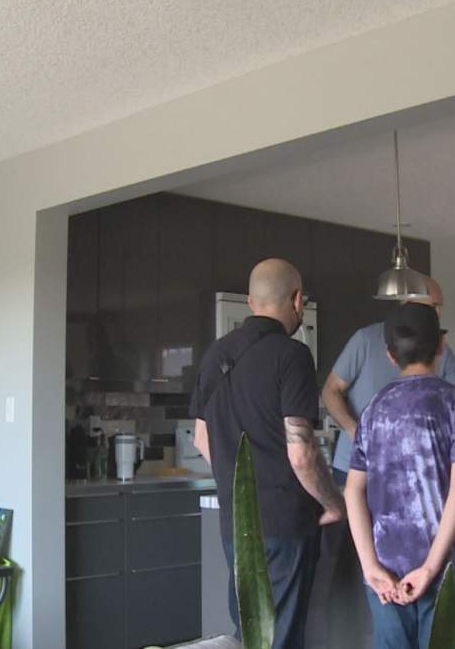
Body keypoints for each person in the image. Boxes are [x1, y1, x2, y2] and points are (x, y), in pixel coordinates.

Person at [191, 258, 344, 649]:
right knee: (281, 638)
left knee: (250, 634)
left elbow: (201, 440)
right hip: (285, 522)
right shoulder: (292, 355)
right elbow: (302, 452)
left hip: (236, 525)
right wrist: (331, 503)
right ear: (297, 300)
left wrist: (240, 485)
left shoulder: (215, 355)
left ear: (250, 301)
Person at [344, 303, 455, 649]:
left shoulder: (373, 409)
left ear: (390, 355)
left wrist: (370, 568)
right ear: (441, 346)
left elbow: (352, 492)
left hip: (385, 576)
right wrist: (431, 568)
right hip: (444, 572)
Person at [323, 276, 455, 485]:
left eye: (439, 306)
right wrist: (355, 431)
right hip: (356, 467)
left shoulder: (440, 350)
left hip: (410, 471)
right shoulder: (365, 340)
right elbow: (330, 391)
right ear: (408, 305)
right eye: (432, 305)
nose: (439, 313)